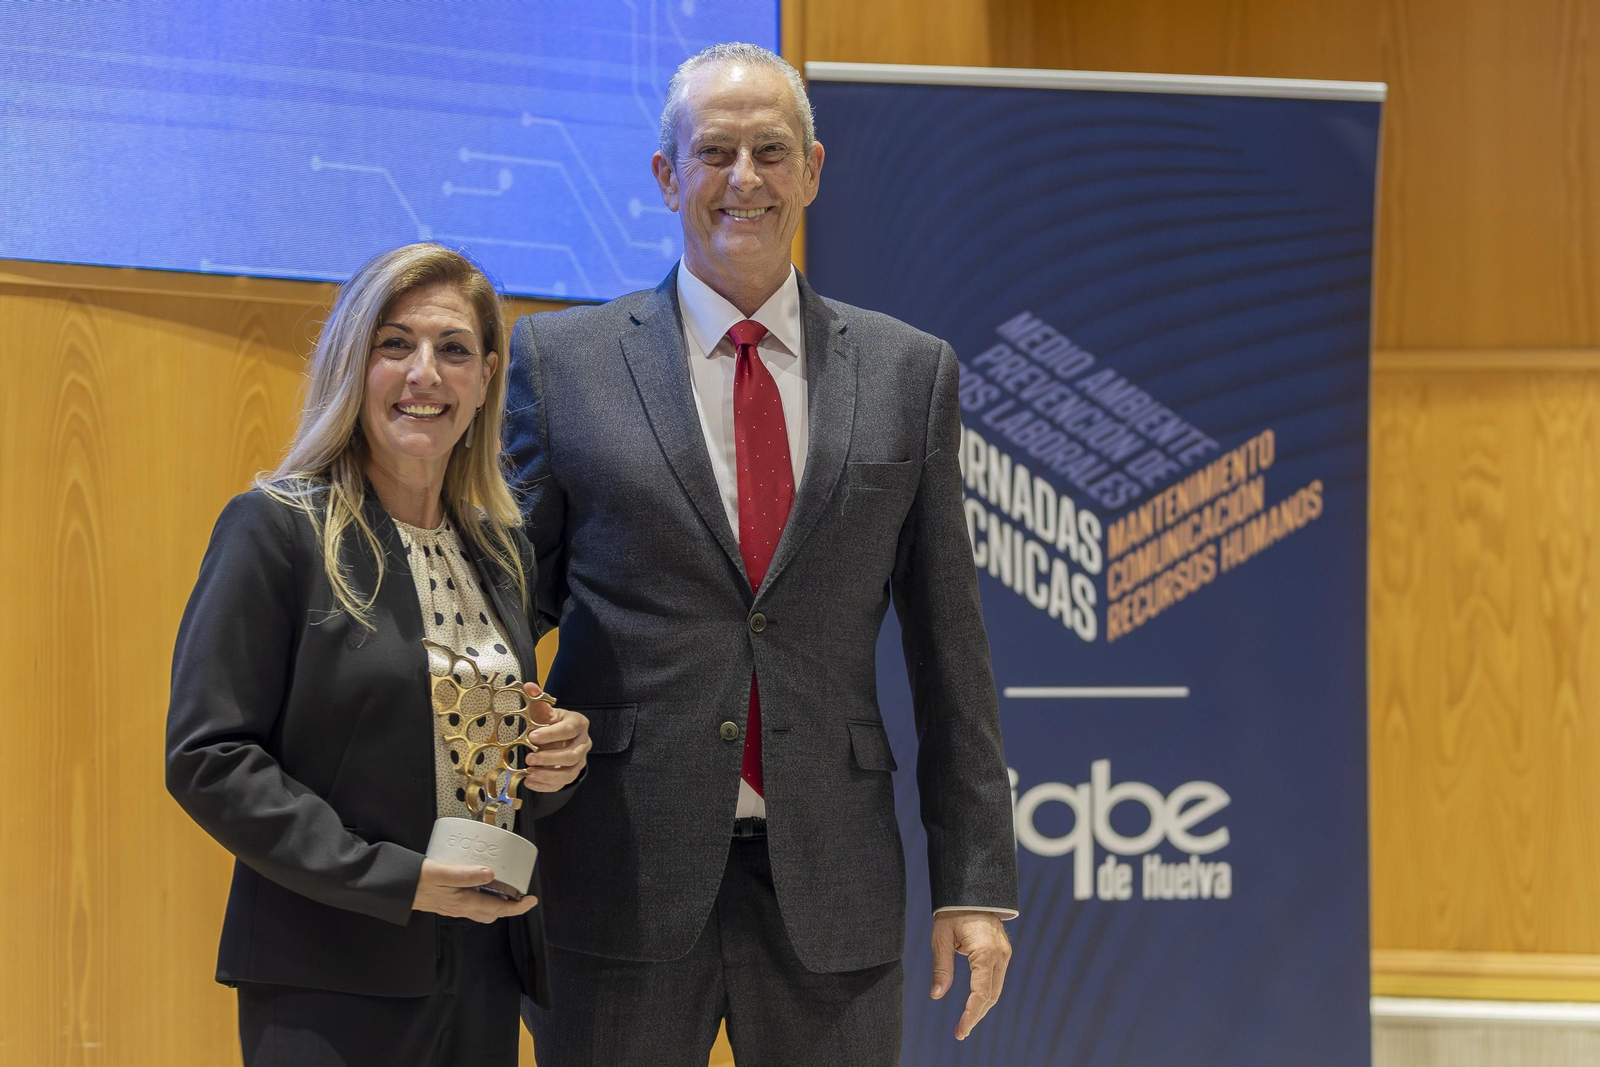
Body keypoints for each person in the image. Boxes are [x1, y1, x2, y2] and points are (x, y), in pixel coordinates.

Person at [505, 43, 1017, 1066]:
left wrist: (973, 881)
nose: (746, 179)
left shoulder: (911, 373)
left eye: (772, 152)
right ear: (666, 177)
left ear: (814, 170)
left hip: (833, 888)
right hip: (616, 876)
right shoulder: (560, 366)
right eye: (716, 152)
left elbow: (949, 646)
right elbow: (505, 608)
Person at [166, 243, 592, 1067]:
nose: (424, 373)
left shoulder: (498, 549)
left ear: (487, 377)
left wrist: (552, 763)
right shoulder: (274, 528)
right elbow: (209, 757)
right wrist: (394, 878)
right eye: (394, 344)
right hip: (332, 975)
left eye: (453, 349)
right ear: (352, 362)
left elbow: (476, 755)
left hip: (483, 965)